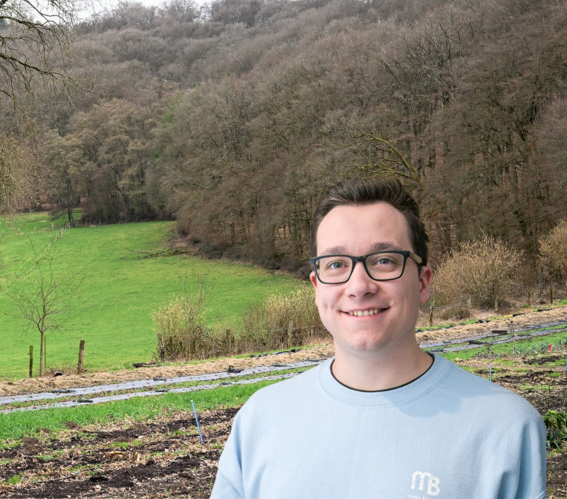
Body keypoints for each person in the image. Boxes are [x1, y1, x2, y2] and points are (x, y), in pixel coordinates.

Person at [210, 179, 546, 499]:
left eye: (384, 260)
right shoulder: (259, 420)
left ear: (423, 282)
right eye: (337, 264)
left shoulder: (506, 427)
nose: (359, 286)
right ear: (317, 287)